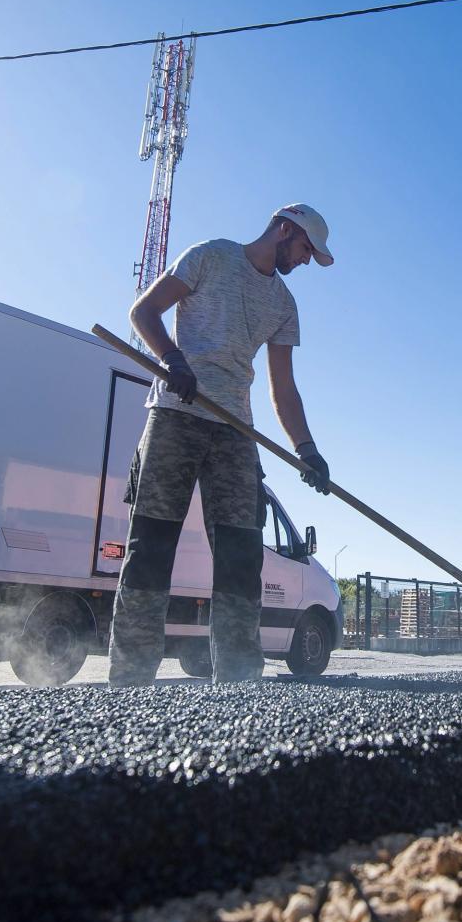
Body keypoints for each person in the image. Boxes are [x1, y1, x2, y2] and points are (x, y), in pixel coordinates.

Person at [109, 205, 335, 685]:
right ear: (286, 229)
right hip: (175, 414)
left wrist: (307, 449)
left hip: (235, 429)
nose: (304, 261)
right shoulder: (210, 257)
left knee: (241, 555)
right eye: (304, 250)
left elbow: (283, 387)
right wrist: (173, 359)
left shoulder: (284, 305)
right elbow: (143, 311)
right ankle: (129, 680)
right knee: (150, 545)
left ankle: (238, 679)